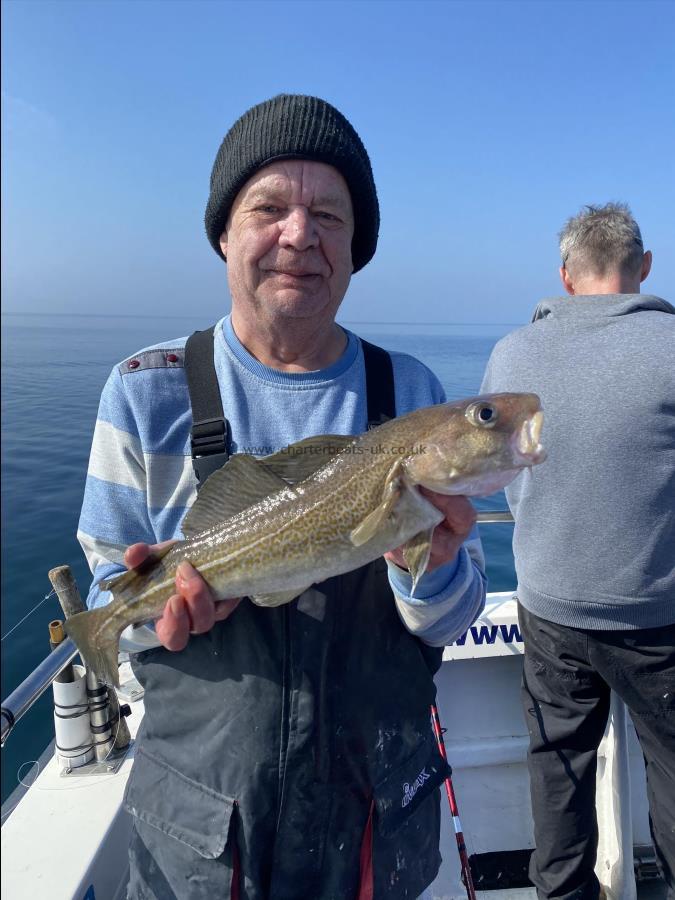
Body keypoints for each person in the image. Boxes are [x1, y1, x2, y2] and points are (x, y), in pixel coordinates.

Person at [78, 94, 487, 900]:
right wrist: (150, 625)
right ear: (223, 233)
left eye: (329, 216)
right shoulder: (142, 393)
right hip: (201, 836)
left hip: (372, 820)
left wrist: (432, 568)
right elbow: (107, 597)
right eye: (268, 208)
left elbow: (449, 619)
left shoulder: (411, 394)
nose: (299, 235)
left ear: (354, 247)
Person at [480, 203, 675, 900]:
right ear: (643, 268)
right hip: (658, 619)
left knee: (557, 775)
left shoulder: (511, 352)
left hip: (548, 611)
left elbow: (498, 479)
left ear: (565, 276)